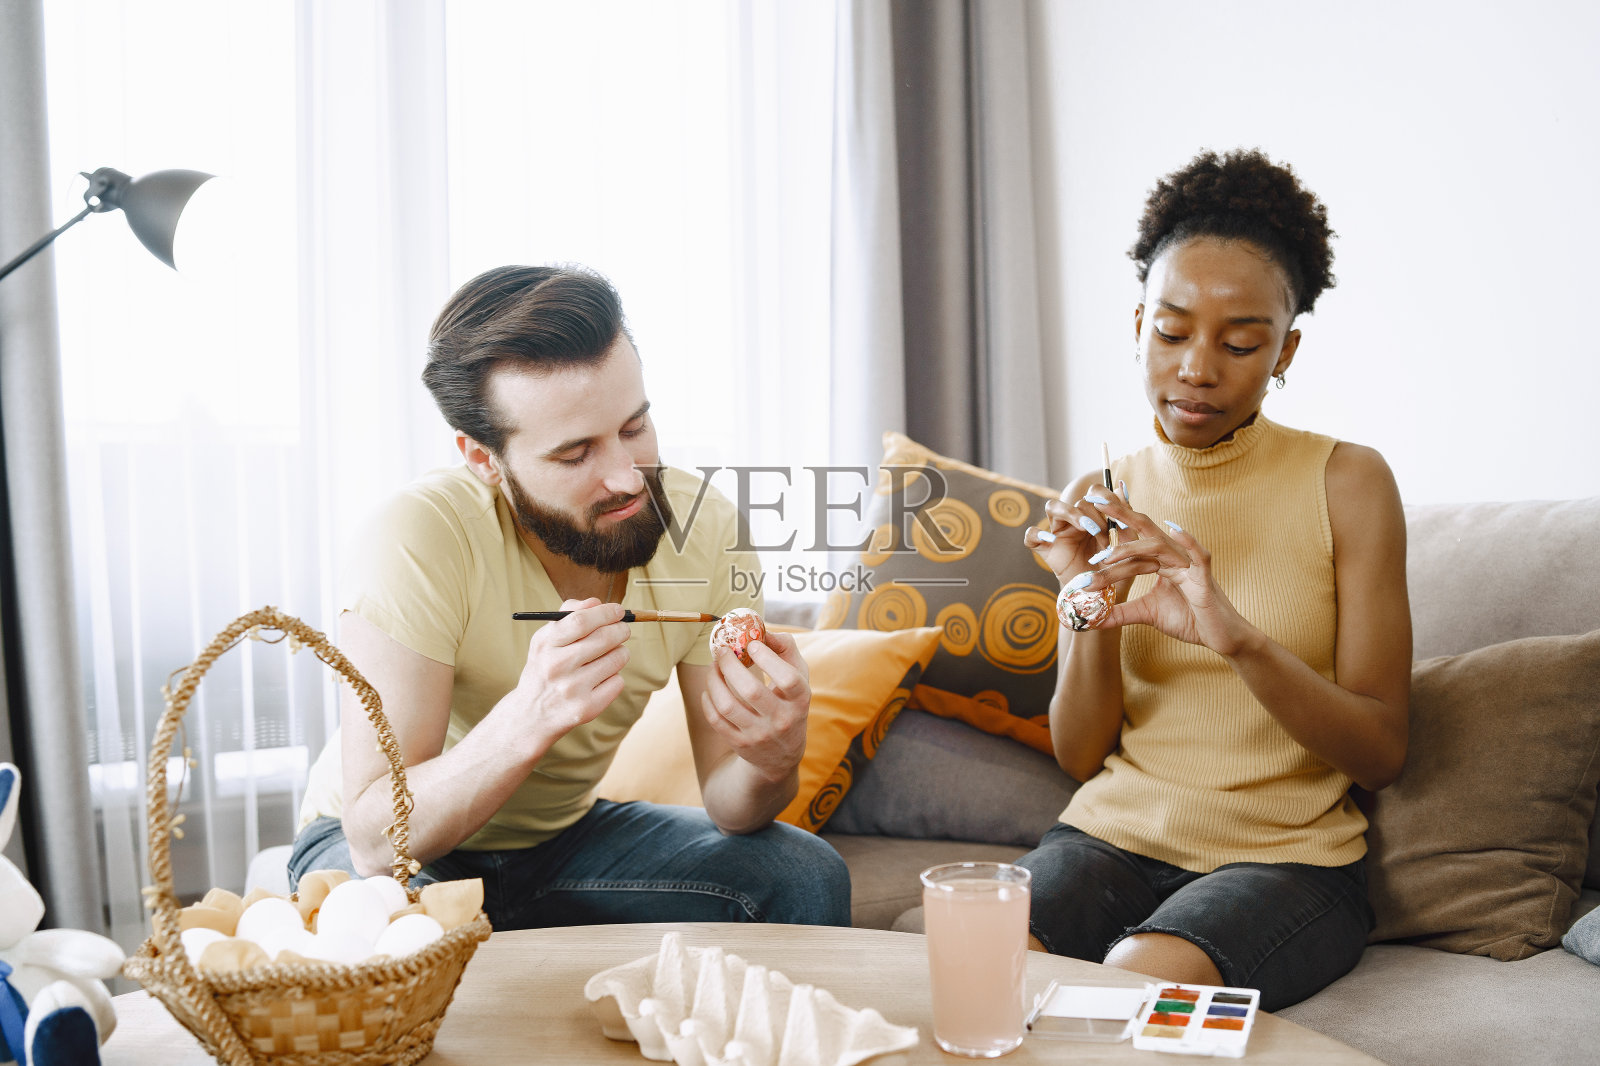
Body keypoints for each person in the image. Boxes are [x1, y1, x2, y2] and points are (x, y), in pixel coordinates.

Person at [290, 264, 851, 930]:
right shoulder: (417, 538)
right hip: (395, 854)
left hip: (560, 844)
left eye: (635, 428)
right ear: (482, 459)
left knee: (802, 874)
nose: (625, 476)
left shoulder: (710, 530)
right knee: (388, 923)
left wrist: (774, 757)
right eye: (575, 453)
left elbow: (734, 807)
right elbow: (377, 842)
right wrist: (529, 716)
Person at [1020, 148, 1410, 1010]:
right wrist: (1084, 603)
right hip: (1110, 838)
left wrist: (1233, 637)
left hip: (1287, 861)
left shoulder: (1349, 483)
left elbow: (1382, 753)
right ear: (1136, 328)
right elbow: (1081, 756)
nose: (1198, 368)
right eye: (1171, 332)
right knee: (957, 954)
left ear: (1286, 351)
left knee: (1134, 993)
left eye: (1240, 343)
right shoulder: (1101, 496)